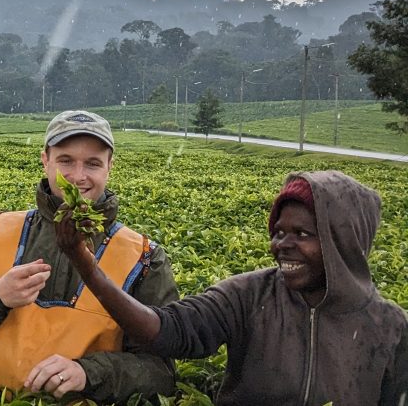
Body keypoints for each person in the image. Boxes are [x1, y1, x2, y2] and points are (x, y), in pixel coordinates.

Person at [57, 170, 408, 405]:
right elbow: (168, 331)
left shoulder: (391, 330)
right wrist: (88, 267)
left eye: (302, 234)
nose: (281, 244)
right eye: (278, 232)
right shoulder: (249, 295)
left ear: (343, 242)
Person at [0, 110, 178, 401]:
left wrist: (88, 374)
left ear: (110, 166)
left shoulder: (144, 258)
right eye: (66, 161)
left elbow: (162, 372)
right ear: (45, 159)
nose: (78, 177)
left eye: (93, 163)